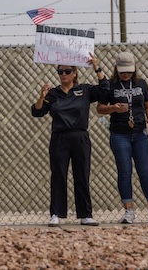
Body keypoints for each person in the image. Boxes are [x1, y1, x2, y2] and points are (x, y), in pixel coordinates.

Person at [31, 55, 107, 226]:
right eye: (60, 71)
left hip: (80, 136)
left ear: (74, 73)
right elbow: (37, 112)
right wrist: (41, 96)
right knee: (58, 175)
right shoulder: (53, 93)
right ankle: (56, 213)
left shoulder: (84, 90)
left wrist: (97, 67)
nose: (63, 74)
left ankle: (85, 214)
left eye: (67, 71)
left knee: (82, 174)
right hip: (60, 137)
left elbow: (104, 90)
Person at [97, 51, 148, 224]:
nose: (126, 74)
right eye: (123, 72)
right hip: (119, 134)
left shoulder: (141, 83)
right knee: (125, 171)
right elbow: (100, 108)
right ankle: (129, 210)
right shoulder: (110, 85)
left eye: (129, 71)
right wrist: (113, 108)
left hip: (140, 133)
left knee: (145, 171)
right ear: (116, 69)